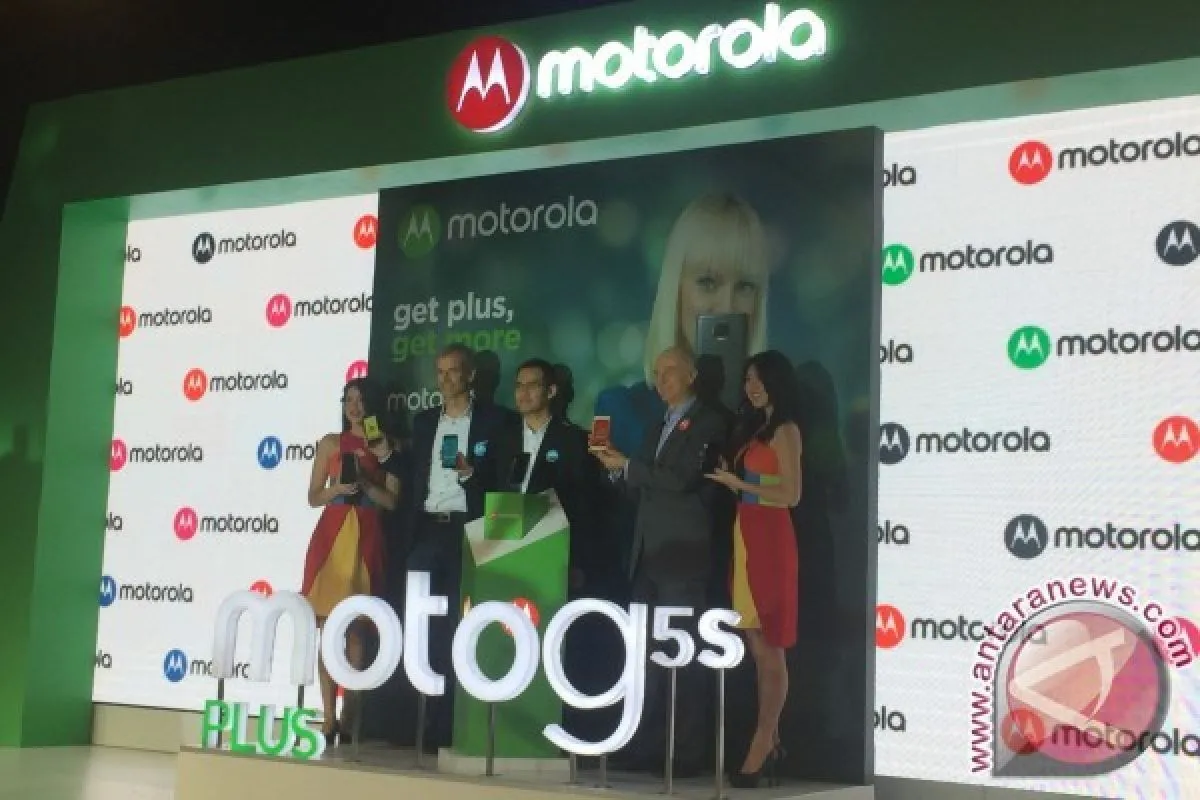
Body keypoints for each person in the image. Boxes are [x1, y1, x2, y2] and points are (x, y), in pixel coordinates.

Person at [593, 346, 728, 778]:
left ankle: (686, 752)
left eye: (670, 371)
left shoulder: (709, 421)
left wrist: (629, 466)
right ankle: (646, 746)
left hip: (683, 554)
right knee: (646, 657)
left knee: (682, 654)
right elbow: (641, 484)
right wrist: (615, 467)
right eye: (656, 372)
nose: (661, 380)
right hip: (647, 554)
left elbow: (682, 479)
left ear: (691, 375)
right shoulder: (657, 424)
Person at [405, 343, 512, 751]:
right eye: (440, 372)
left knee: (460, 628)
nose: (446, 379)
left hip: (467, 531)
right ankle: (425, 724)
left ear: (470, 375)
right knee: (422, 631)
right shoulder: (423, 422)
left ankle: (456, 725)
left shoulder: (495, 421)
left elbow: (504, 480)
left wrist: (470, 475)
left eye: (453, 371)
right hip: (426, 533)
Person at [705, 350, 803, 788]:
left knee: (771, 644)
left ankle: (762, 741)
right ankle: (772, 738)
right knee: (756, 642)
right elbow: (755, 489)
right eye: (747, 379)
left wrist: (739, 483)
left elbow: (791, 494)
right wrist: (732, 480)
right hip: (745, 536)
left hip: (772, 540)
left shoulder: (786, 430)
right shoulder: (754, 429)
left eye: (760, 379)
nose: (752, 387)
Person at [303, 377, 401, 747]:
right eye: (349, 400)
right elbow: (313, 496)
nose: (355, 407)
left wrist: (366, 483)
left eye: (361, 400)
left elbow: (392, 502)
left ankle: (350, 716)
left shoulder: (389, 447)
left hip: (368, 536)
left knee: (358, 630)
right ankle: (328, 716)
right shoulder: (331, 442)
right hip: (331, 537)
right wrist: (338, 489)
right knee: (329, 629)